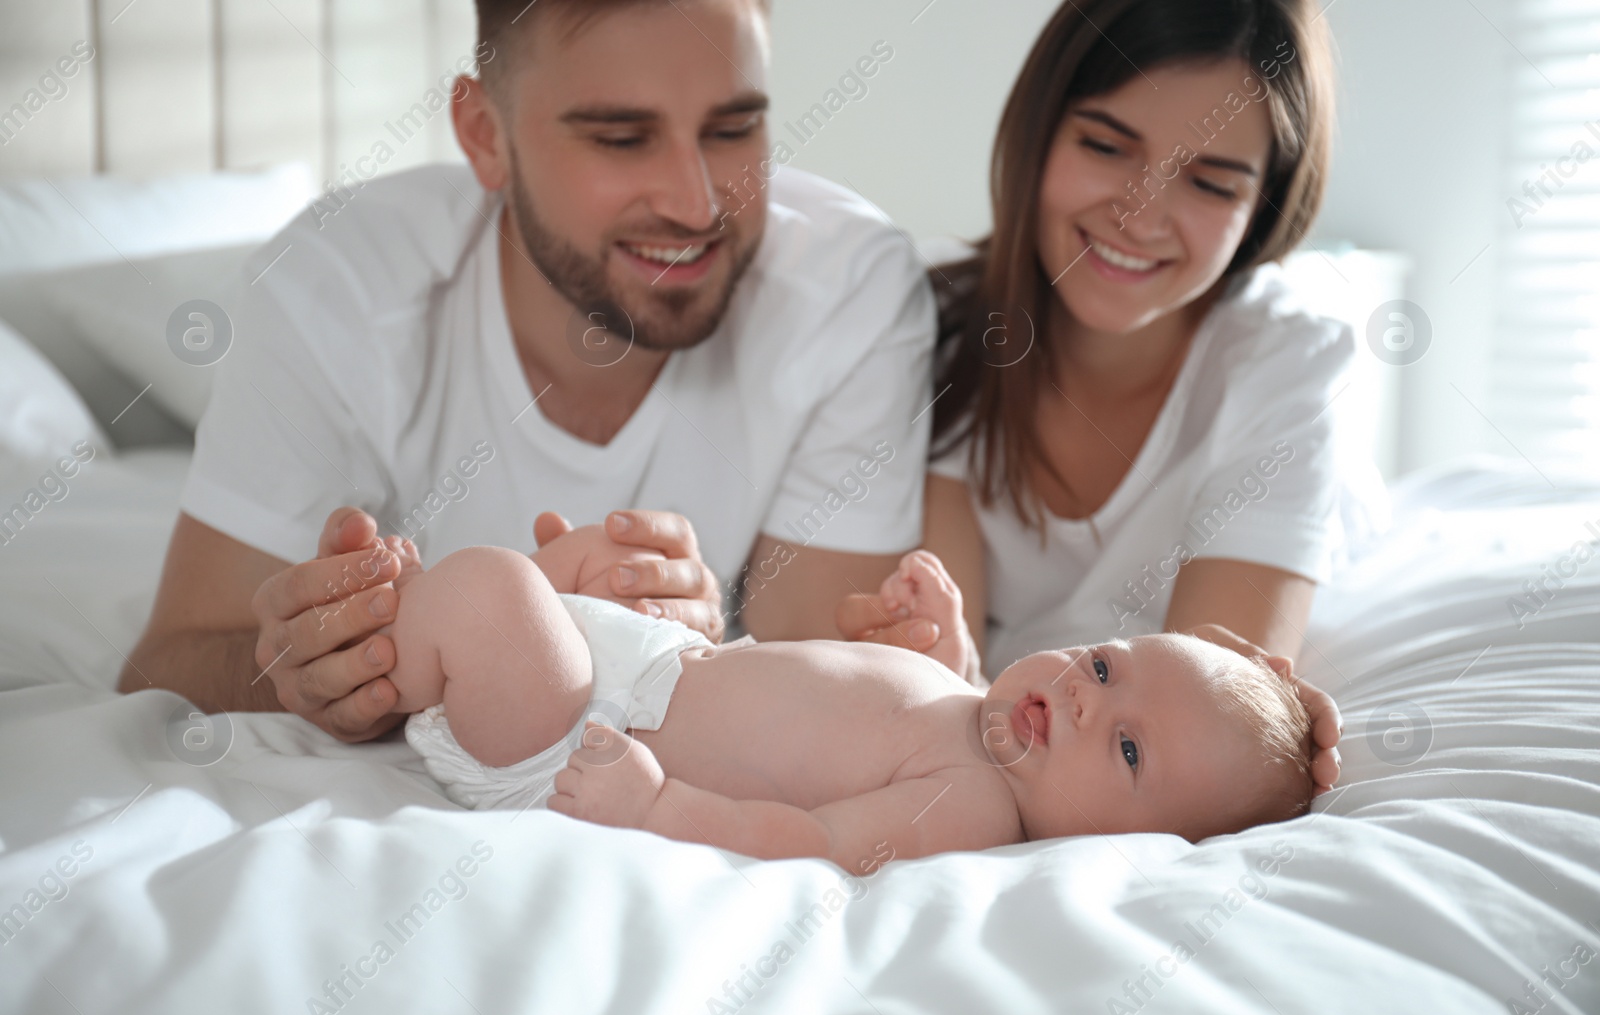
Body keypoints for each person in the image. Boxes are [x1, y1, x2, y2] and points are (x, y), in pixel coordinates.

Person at [118, 0, 936, 743]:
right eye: (622, 138)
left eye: (732, 131)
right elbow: (164, 669)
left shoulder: (849, 291)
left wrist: (701, 655)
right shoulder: (332, 294)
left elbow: (841, 689)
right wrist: (326, 675)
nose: (696, 206)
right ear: (485, 136)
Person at [838, 0, 1381, 794]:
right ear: (1040, 132)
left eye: (1209, 181)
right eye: (1106, 145)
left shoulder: (1285, 360)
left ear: (1263, 208)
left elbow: (1199, 720)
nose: (1142, 214)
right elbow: (953, 690)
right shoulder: (934, 325)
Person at [384, 528, 1314, 862]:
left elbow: (819, 841)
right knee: (588, 563)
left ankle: (396, 626)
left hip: (582, 743)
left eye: (1128, 749)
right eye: (1105, 667)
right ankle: (418, 623)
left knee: (488, 589)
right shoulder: (984, 727)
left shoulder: (974, 806)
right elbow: (932, 706)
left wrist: (656, 804)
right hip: (653, 664)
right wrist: (947, 645)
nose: (1082, 699)